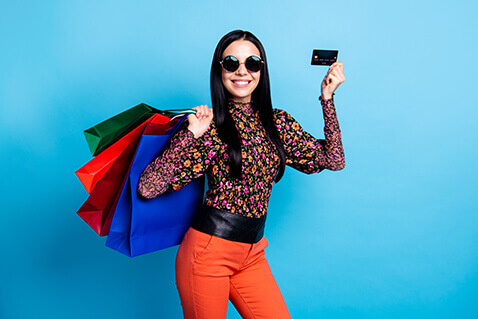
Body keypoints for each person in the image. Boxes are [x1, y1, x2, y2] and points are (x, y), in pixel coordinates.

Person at [137, 30, 345, 319]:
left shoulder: (278, 123)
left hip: (252, 253)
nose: (242, 71)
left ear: (262, 69)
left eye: (253, 63)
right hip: (207, 255)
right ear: (219, 70)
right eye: (231, 62)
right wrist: (189, 135)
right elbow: (148, 187)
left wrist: (327, 99)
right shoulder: (211, 128)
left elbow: (333, 160)